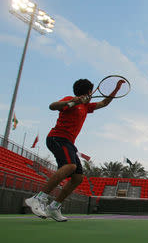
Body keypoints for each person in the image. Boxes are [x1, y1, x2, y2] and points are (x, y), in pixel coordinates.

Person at [25, 79, 118, 222]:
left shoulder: (86, 106)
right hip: (57, 138)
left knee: (77, 178)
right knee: (70, 166)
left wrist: (116, 89)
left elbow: (104, 103)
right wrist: (74, 101)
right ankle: (38, 198)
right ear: (88, 92)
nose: (92, 94)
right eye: (91, 91)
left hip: (69, 143)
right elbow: (52, 106)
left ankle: (54, 207)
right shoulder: (71, 100)